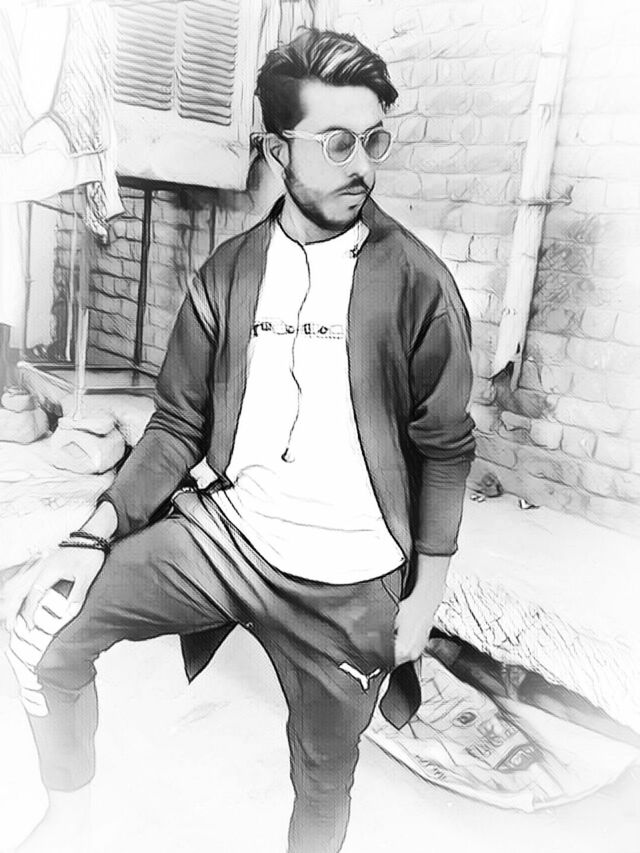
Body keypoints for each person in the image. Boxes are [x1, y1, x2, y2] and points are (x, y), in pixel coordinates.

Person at [5, 28, 475, 853]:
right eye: (336, 143)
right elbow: (177, 423)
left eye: (374, 141)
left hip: (349, 581)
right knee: (39, 630)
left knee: (324, 778)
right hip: (228, 539)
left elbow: (445, 447)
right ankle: (69, 815)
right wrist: (93, 532)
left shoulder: (418, 283)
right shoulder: (229, 273)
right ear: (276, 149)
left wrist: (424, 598)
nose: (362, 166)